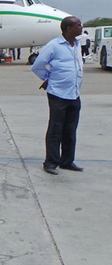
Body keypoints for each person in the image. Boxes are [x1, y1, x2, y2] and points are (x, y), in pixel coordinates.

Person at [31, 16, 84, 175]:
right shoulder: (54, 45)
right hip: (58, 94)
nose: (81, 27)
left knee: (70, 129)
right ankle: (50, 162)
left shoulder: (77, 44)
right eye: (78, 25)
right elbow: (37, 66)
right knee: (56, 129)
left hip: (74, 93)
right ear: (69, 28)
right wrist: (48, 78)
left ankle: (67, 161)